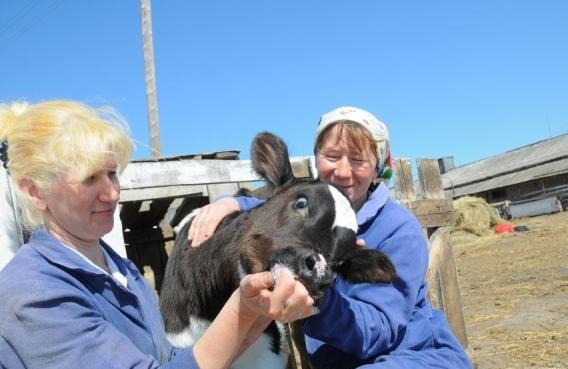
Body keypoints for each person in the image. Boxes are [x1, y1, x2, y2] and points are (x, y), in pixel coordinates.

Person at [0, 100, 315, 369]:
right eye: (88, 178)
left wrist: (258, 311)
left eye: (111, 173)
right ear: (34, 191)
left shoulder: (121, 271)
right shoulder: (36, 293)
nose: (111, 194)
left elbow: (170, 359)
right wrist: (242, 309)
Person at [187, 106, 473, 369]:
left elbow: (379, 331)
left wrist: (316, 293)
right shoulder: (309, 212)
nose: (343, 171)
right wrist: (233, 203)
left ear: (378, 168)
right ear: (316, 160)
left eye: (359, 160)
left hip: (412, 357)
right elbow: (276, 206)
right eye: (332, 156)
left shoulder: (399, 229)